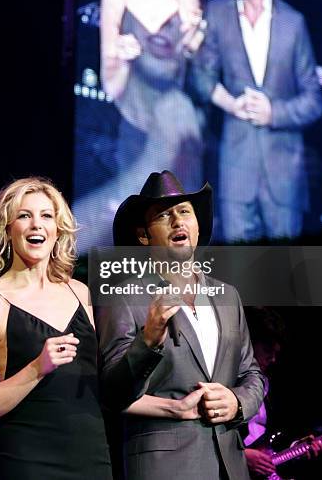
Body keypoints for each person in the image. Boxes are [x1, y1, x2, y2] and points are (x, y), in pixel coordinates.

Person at [96, 169, 264, 479]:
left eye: (185, 212)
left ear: (197, 226)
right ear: (144, 235)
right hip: (166, 468)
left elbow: (251, 374)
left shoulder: (227, 296)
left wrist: (237, 402)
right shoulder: (124, 297)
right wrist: (147, 341)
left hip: (230, 466)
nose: (178, 221)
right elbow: (112, 393)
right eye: (164, 215)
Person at [0, 177, 112, 480]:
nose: (36, 225)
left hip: (92, 458)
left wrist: (176, 407)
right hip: (28, 461)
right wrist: (37, 368)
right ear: (7, 228)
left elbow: (105, 384)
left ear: (58, 230)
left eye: (46, 216)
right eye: (24, 216)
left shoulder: (81, 293)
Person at [192, 0, 322, 242]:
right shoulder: (218, 14)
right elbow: (200, 76)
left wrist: (272, 112)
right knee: (241, 272)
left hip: (284, 173)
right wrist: (230, 104)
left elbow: (314, 100)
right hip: (237, 166)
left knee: (282, 274)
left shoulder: (293, 23)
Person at [100, 0, 206, 192]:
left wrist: (194, 43)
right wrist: (121, 61)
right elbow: (110, 85)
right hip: (133, 128)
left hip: (174, 131)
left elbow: (196, 76)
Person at [243, 307, 322, 479]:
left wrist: (296, 446)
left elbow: (277, 432)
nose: (273, 359)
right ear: (248, 343)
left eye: (276, 353)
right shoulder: (223, 380)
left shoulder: (269, 383)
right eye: (267, 350)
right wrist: (241, 457)